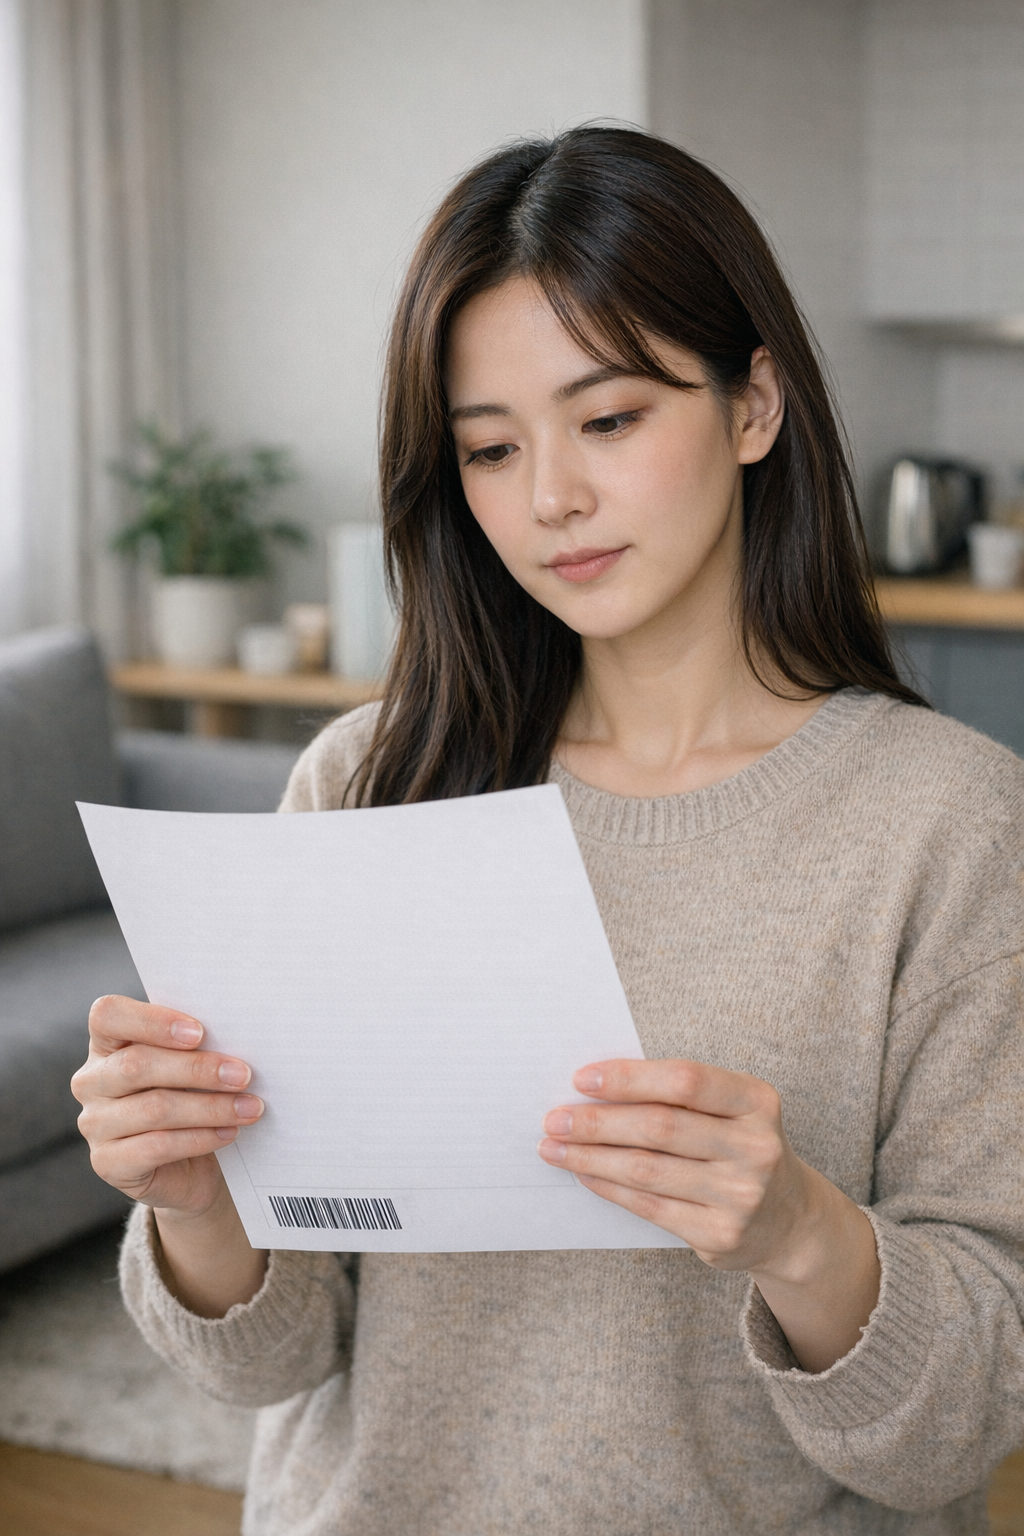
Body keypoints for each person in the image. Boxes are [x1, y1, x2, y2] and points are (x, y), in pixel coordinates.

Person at [72, 127, 1024, 1535]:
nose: (550, 498)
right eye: (491, 449)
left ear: (755, 403)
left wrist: (798, 1232)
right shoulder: (366, 783)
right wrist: (195, 1199)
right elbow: (263, 1366)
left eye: (611, 419)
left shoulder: (949, 823)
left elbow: (964, 1426)